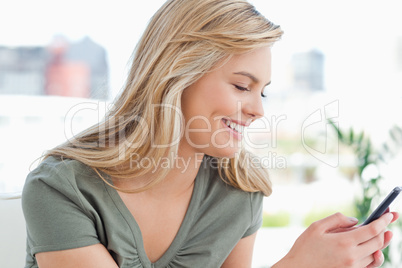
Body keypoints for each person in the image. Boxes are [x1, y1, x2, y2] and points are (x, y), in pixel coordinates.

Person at [22, 0, 399, 267]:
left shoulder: (239, 193)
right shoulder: (61, 189)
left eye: (262, 90)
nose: (258, 110)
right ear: (177, 76)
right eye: (241, 86)